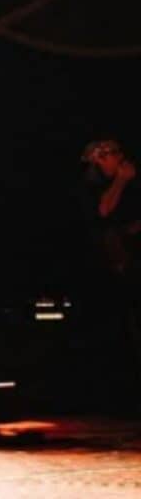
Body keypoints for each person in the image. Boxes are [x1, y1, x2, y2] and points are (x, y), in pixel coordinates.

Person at [79, 137, 141, 410]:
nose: (119, 158)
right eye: (112, 154)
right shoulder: (92, 185)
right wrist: (121, 182)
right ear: (99, 159)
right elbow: (103, 211)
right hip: (108, 264)